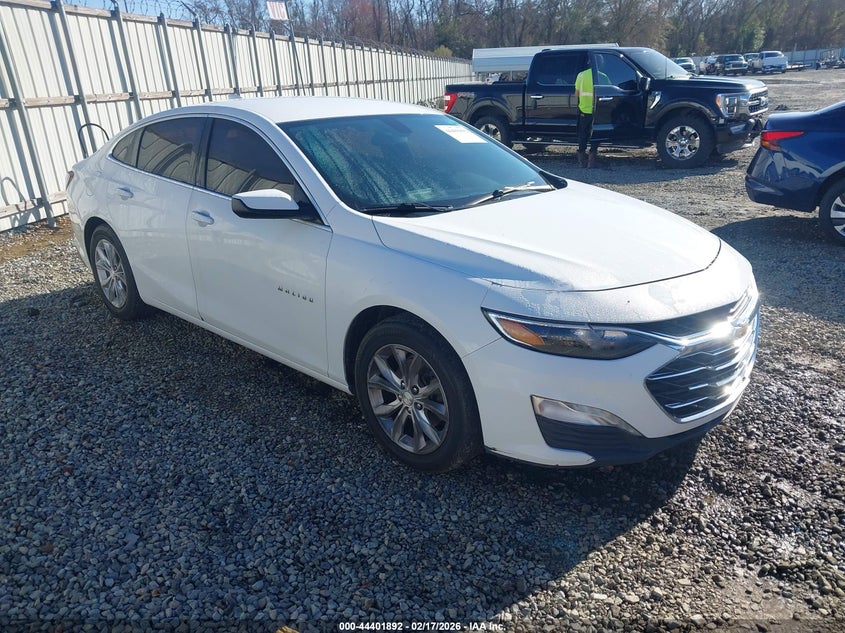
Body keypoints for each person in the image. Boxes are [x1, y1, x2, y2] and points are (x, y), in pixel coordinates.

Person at [574, 56, 610, 168]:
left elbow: (577, 94)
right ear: (600, 64)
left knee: (583, 134)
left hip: (584, 110)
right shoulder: (603, 76)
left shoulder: (581, 75)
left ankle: (581, 159)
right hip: (598, 111)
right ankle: (592, 160)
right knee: (595, 135)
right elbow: (609, 92)